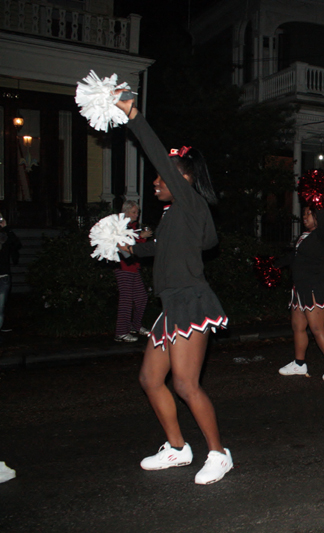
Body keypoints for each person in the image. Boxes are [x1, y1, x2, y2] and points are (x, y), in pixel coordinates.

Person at [116, 96, 232, 485]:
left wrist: (134, 116)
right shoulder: (176, 215)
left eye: (162, 177)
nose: (155, 181)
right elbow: (176, 249)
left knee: (185, 383)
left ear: (181, 179)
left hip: (191, 302)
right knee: (151, 379)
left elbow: (159, 157)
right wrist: (132, 248)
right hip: (171, 305)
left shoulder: (190, 201)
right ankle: (178, 448)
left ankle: (219, 454)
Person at [275, 205, 324, 381]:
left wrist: (317, 203)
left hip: (314, 286)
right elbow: (295, 258)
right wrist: (274, 265)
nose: (305, 217)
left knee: (317, 328)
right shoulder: (305, 236)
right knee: (298, 327)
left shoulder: (322, 235)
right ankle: (299, 363)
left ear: (319, 218)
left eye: (309, 214)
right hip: (300, 287)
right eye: (304, 214)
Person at [114, 200, 152, 343]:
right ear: (126, 212)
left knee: (141, 297)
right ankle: (121, 332)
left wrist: (142, 237)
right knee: (126, 299)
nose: (137, 214)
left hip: (133, 267)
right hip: (123, 267)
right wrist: (141, 237)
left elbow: (136, 248)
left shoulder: (133, 227)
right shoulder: (121, 227)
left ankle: (135, 326)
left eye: (138, 212)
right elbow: (126, 246)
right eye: (134, 212)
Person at [0, 212, 21, 341]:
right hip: (4, 277)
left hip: (3, 277)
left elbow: (17, 244)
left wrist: (6, 228)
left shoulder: (5, 238)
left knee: (0, 307)